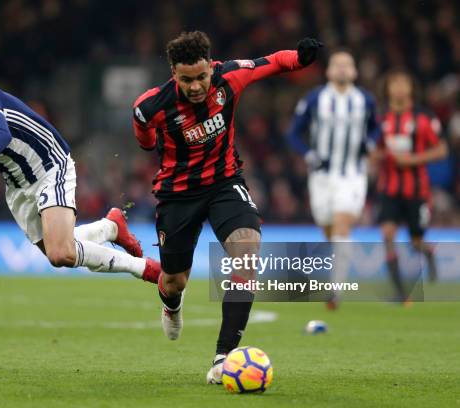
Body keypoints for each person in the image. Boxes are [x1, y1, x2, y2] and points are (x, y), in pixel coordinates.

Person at [132, 31, 322, 383]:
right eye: (186, 79)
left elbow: (272, 62)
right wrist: (149, 139)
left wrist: (300, 58)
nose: (195, 87)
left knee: (247, 257)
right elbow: (144, 137)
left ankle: (224, 357)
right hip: (177, 194)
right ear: (173, 73)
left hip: (225, 183)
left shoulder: (230, 76)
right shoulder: (152, 106)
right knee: (174, 281)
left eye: (201, 77)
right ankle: (171, 303)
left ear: (210, 67)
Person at [0, 84, 160, 283]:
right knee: (57, 253)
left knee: (61, 253)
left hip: (49, 163)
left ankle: (144, 268)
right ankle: (110, 227)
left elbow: (0, 134)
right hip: (16, 185)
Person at [286, 50, 380, 308]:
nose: (341, 69)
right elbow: (293, 133)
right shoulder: (316, 98)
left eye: (346, 65)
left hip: (352, 174)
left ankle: (335, 291)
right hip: (321, 177)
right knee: (328, 227)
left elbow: (376, 127)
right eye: (337, 65)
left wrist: (370, 144)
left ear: (354, 71)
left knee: (341, 225)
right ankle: (339, 269)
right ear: (328, 71)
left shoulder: (365, 100)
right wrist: (310, 155)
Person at [375, 70, 447, 300]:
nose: (397, 87)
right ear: (387, 89)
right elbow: (374, 149)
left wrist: (412, 160)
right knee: (387, 233)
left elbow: (441, 150)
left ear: (411, 89)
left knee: (416, 241)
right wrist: (375, 155)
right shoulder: (381, 120)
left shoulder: (424, 118)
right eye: (393, 82)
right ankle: (399, 292)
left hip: (417, 190)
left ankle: (428, 251)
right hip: (389, 188)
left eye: (402, 82)